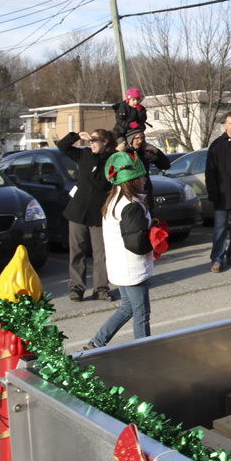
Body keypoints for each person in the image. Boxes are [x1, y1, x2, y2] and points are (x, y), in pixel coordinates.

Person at [83, 152, 155, 350]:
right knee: (141, 312)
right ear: (132, 181)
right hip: (132, 268)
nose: (144, 179)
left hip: (119, 265)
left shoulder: (115, 199)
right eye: (140, 176)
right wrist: (154, 240)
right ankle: (143, 351)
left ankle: (97, 341)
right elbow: (136, 242)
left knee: (127, 307)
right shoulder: (131, 206)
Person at [58, 129, 116, 302]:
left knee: (101, 254)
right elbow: (62, 146)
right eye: (90, 140)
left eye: (95, 140)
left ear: (105, 142)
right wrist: (76, 136)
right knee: (77, 251)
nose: (91, 143)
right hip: (78, 212)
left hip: (98, 213)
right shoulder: (83, 155)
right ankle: (76, 288)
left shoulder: (111, 159)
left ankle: (100, 289)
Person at [205, 112, 231, 273]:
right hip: (222, 195)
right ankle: (217, 259)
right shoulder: (217, 145)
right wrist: (213, 192)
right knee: (220, 228)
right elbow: (210, 172)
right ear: (225, 125)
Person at [119, 128, 170, 207]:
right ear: (130, 139)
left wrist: (156, 151)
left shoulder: (144, 153)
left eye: (142, 138)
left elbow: (165, 165)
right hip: (129, 192)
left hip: (145, 192)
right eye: (137, 138)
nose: (140, 141)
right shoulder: (124, 154)